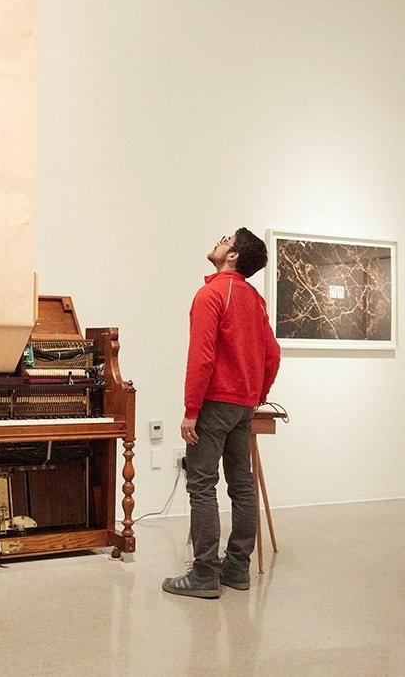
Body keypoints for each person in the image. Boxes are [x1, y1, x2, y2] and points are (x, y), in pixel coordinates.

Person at [162, 228, 280, 599]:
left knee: (201, 485)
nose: (219, 240)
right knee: (241, 485)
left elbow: (201, 357)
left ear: (233, 256)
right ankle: (237, 569)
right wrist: (256, 394)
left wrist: (191, 411)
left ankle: (203, 574)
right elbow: (272, 355)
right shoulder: (254, 300)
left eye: (226, 239)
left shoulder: (212, 293)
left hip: (214, 404)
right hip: (243, 405)